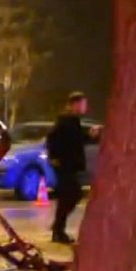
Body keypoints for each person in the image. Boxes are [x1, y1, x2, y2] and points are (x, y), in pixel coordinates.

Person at [46, 91, 100, 244]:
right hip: (65, 165)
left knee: (67, 197)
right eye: (83, 104)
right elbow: (54, 138)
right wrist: (54, 157)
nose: (85, 107)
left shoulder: (72, 120)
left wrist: (89, 135)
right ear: (75, 104)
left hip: (67, 164)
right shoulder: (67, 120)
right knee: (72, 194)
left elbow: (75, 139)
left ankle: (58, 229)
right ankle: (58, 229)